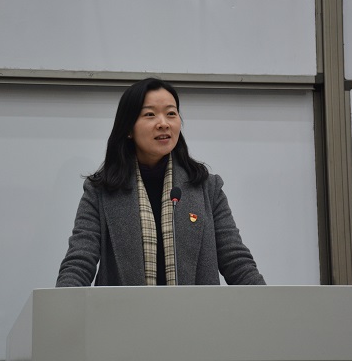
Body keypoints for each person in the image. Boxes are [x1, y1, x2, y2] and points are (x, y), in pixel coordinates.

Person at [56, 77, 265, 286]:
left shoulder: (207, 188)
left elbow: (236, 261)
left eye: (171, 113)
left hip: (194, 308)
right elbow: (79, 262)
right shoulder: (100, 191)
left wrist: (268, 301)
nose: (163, 123)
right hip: (125, 308)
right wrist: (63, 300)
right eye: (150, 114)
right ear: (128, 128)